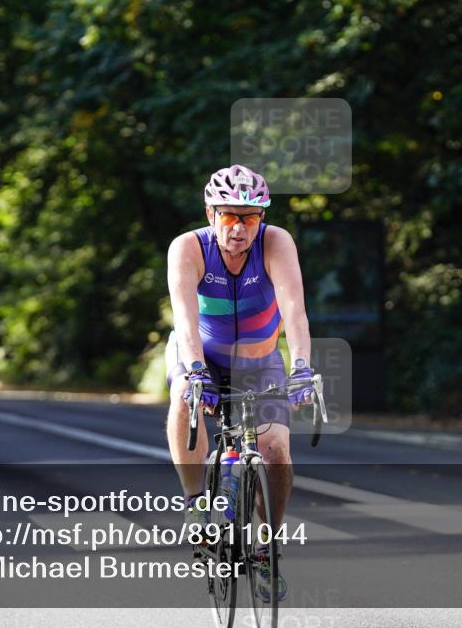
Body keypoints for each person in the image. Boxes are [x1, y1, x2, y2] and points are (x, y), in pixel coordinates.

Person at [165, 164, 317, 602]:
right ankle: (196, 503)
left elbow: (294, 311)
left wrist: (302, 365)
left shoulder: (275, 242)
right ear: (210, 212)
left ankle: (267, 550)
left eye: (250, 217)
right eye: (230, 216)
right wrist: (195, 372)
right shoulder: (188, 248)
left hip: (259, 359)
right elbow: (185, 320)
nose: (239, 227)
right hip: (202, 354)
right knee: (182, 400)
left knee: (276, 451)